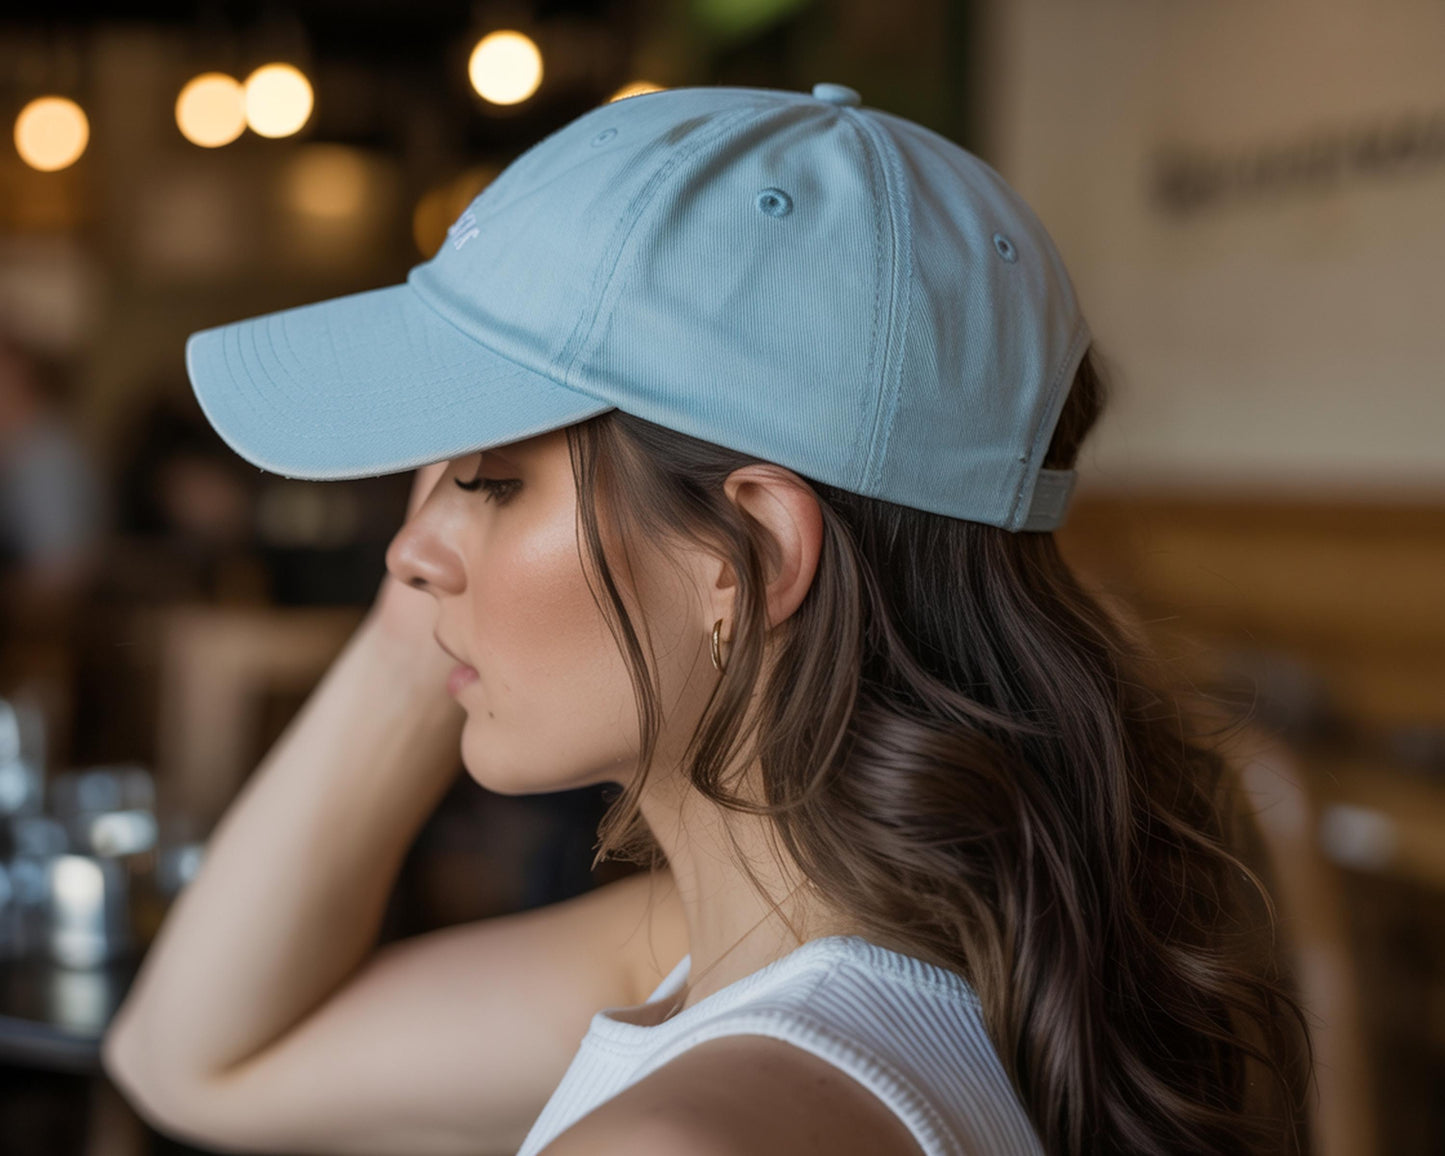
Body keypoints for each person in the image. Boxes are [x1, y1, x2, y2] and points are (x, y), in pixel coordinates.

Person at [101, 82, 1312, 1155]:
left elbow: (192, 1068)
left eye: (487, 479)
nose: (405, 553)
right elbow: (190, 1064)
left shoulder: (692, 1123)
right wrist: (445, 583)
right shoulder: (898, 945)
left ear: (749, 552)